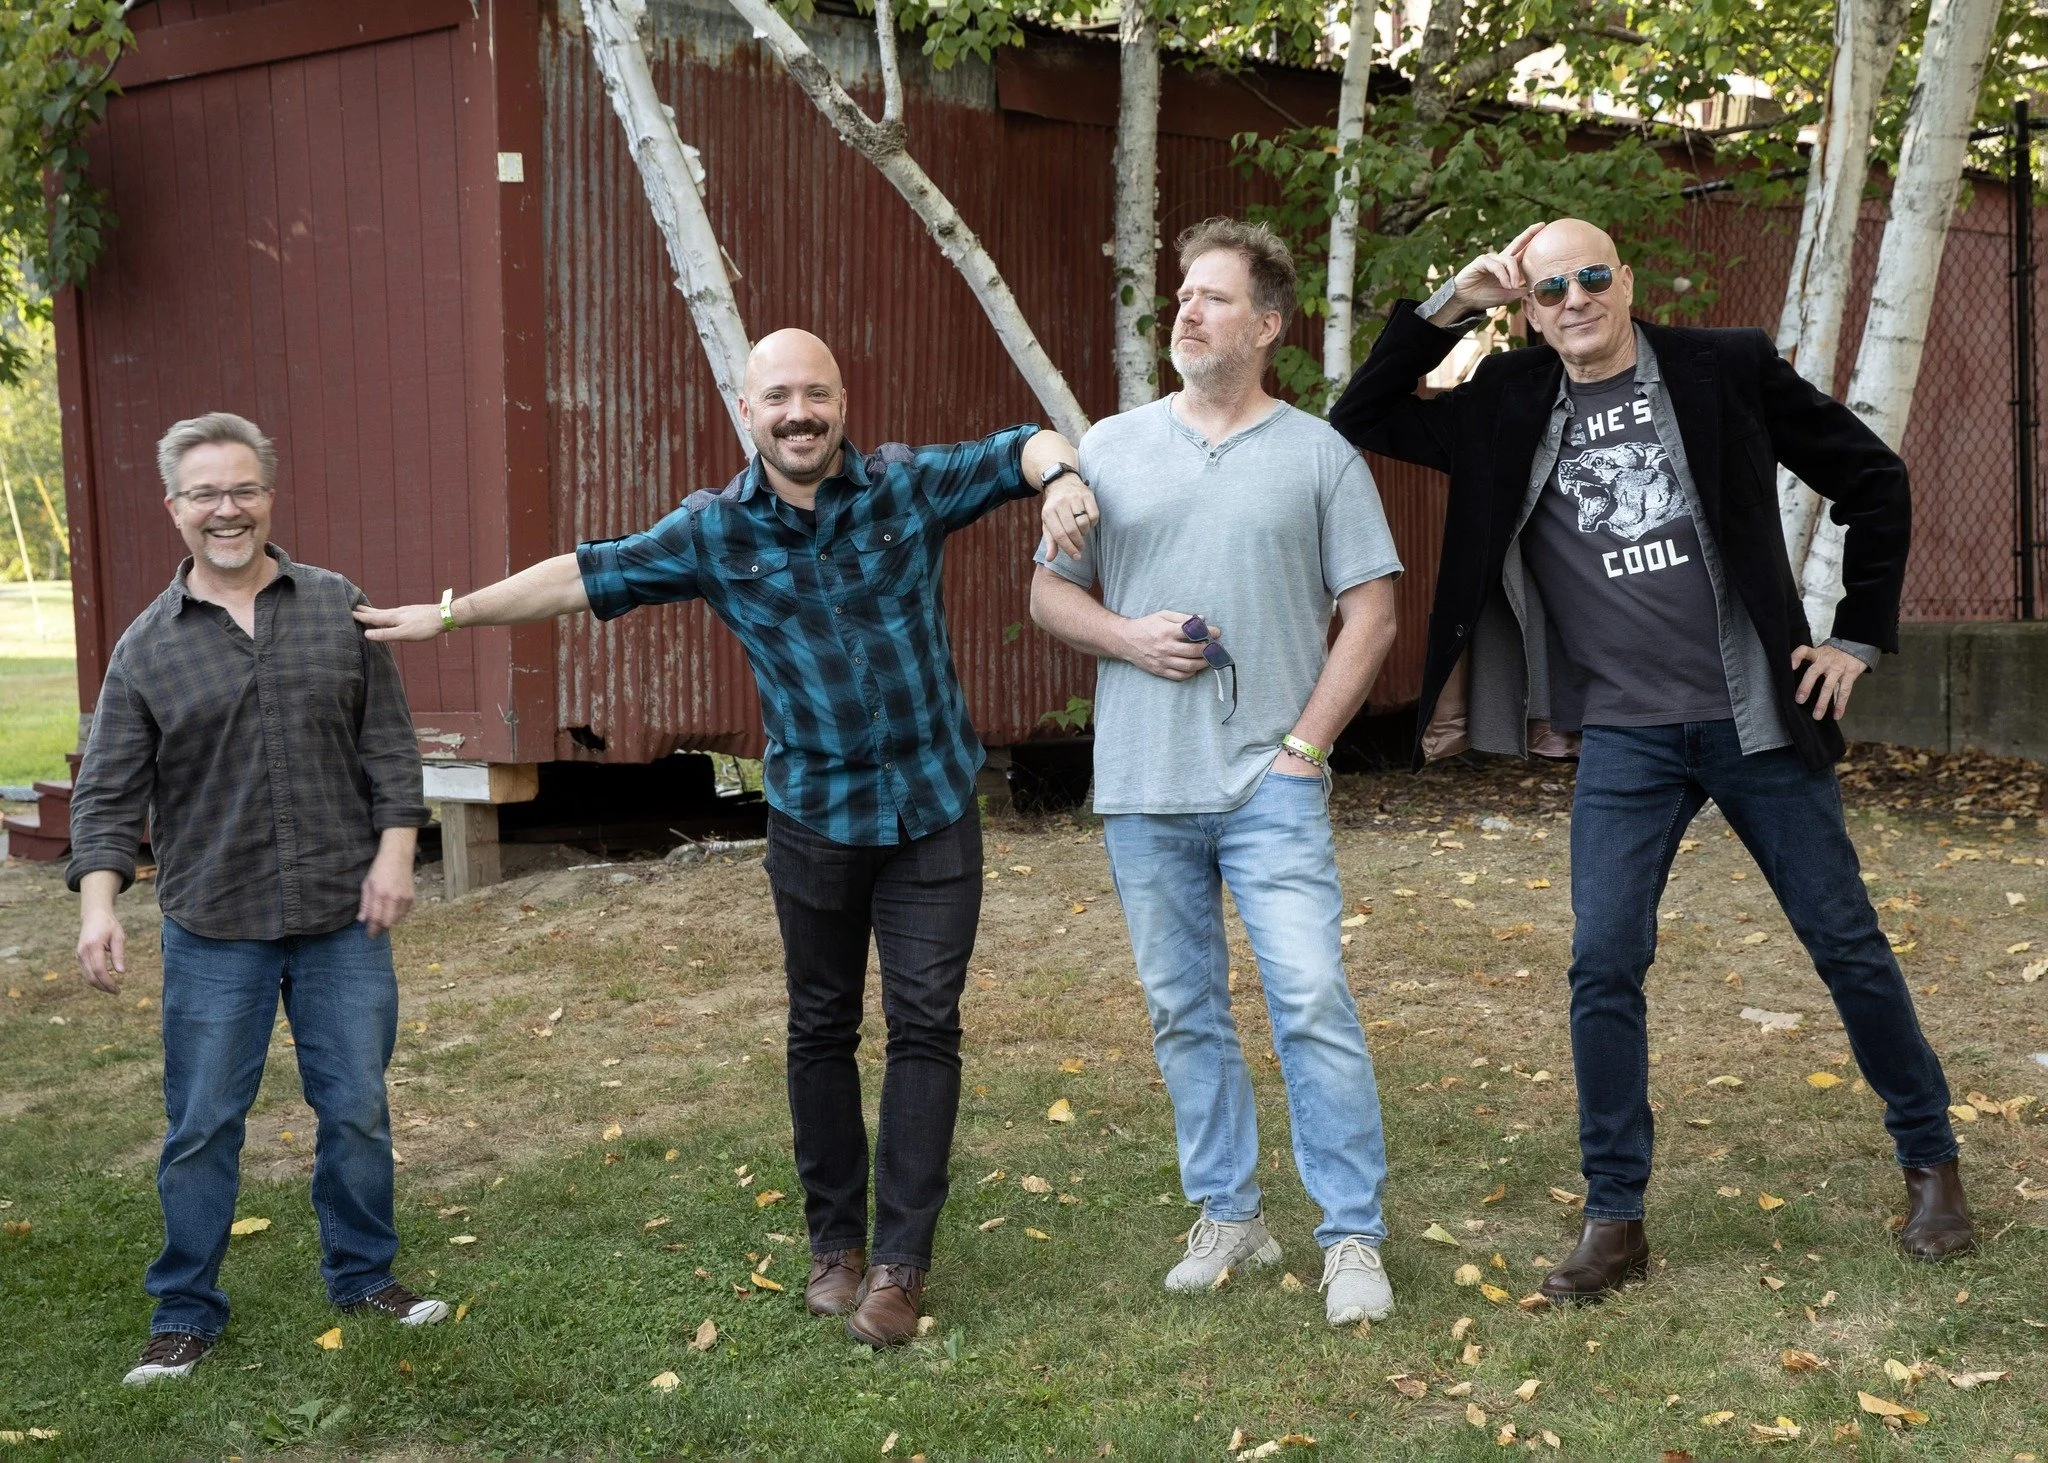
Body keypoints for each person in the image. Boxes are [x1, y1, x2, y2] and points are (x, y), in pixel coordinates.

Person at [357, 329, 1087, 1347]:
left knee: (925, 1024)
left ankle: (899, 1264)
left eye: (816, 393)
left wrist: (1058, 479)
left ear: (841, 401)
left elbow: (1021, 445)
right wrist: (449, 616)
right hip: (813, 820)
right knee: (819, 1027)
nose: (799, 412)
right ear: (746, 413)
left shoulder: (903, 487)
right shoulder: (713, 531)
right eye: (777, 396)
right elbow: (582, 575)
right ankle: (834, 1243)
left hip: (929, 808)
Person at [1330, 218, 1971, 1303]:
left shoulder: (1722, 366)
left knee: (1843, 941)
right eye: (1546, 289)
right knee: (1602, 961)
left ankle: (1930, 1161)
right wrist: (1449, 303)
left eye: (1589, 277)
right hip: (1620, 732)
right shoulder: (1505, 398)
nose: (1571, 300)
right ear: (1525, 307)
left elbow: (1871, 478)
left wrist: (1854, 636)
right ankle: (1613, 1216)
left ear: (1623, 281)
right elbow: (1361, 415)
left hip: (1750, 712)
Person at [1031, 220, 1404, 1326]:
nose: (1185, 314)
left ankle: (1349, 1235)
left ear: (1267, 325)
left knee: (1309, 1001)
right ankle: (1228, 1210)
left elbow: (1371, 612)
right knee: (1182, 1007)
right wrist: (1126, 635)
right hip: (1143, 788)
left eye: (1212, 298)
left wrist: (1303, 751)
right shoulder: (1108, 445)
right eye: (1180, 296)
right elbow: (1050, 594)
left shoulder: (1317, 454)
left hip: (1266, 789)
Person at [69, 412, 445, 1387]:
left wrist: (396, 851)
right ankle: (184, 1309)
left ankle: (363, 1276)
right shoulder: (148, 648)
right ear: (175, 509)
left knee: (356, 1106)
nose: (225, 509)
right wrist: (99, 907)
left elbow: (389, 745)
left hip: (341, 918)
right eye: (204, 493)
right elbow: (108, 793)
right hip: (212, 929)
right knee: (201, 1123)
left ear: (268, 497)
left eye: (242, 489)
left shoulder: (335, 607)